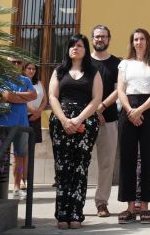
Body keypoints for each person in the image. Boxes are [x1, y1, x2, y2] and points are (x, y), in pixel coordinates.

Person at [48, 34, 103, 230]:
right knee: (63, 169)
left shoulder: (93, 72)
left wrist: (79, 120)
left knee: (79, 169)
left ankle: (76, 214)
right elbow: (53, 97)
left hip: (85, 123)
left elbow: (96, 99)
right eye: (72, 45)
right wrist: (64, 120)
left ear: (85, 50)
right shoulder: (59, 71)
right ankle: (62, 214)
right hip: (60, 123)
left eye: (79, 45)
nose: (75, 48)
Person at [116, 28, 150, 224]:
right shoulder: (124, 64)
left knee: (148, 158)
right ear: (131, 42)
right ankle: (129, 207)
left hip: (148, 111)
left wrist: (140, 110)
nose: (138, 42)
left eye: (142, 38)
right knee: (127, 159)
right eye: (135, 39)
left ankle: (144, 206)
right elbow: (120, 90)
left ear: (147, 41)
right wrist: (130, 111)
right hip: (128, 111)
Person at [90, 24, 121, 218]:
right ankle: (74, 203)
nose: (100, 39)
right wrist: (93, 110)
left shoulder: (116, 63)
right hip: (83, 120)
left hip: (108, 120)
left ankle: (102, 202)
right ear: (92, 39)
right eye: (97, 36)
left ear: (109, 39)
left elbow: (119, 90)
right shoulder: (83, 62)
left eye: (103, 36)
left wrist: (101, 107)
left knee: (107, 164)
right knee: (79, 163)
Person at [0, 59, 38, 199]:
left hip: (23, 125)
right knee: (1, 157)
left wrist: (15, 96)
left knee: (20, 158)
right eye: (12, 62)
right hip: (4, 125)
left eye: (18, 62)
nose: (16, 65)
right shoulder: (0, 79)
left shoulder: (26, 80)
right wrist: (23, 97)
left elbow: (34, 95)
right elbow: (6, 96)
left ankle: (16, 187)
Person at [24, 62, 46, 191]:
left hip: (36, 118)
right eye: (29, 68)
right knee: (22, 151)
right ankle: (22, 179)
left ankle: (29, 178)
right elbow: (19, 98)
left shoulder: (39, 83)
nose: (31, 71)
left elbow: (45, 100)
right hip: (25, 117)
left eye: (33, 69)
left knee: (31, 151)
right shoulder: (21, 82)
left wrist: (38, 112)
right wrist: (32, 111)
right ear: (24, 69)